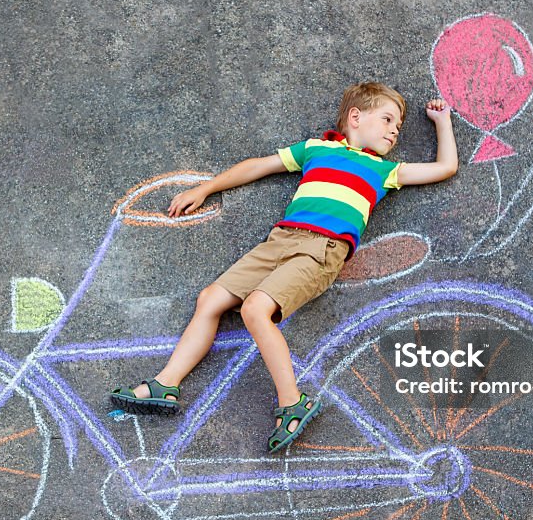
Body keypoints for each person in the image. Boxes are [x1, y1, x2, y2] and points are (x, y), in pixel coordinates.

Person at [110, 81, 458, 452]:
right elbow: (259, 166)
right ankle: (166, 384)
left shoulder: (385, 171)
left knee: (255, 309)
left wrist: (442, 122)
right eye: (388, 119)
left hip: (322, 248)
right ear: (355, 117)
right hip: (279, 241)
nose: (394, 130)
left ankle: (293, 401)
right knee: (210, 299)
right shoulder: (315, 149)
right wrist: (207, 188)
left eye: (399, 127)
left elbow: (445, 167)